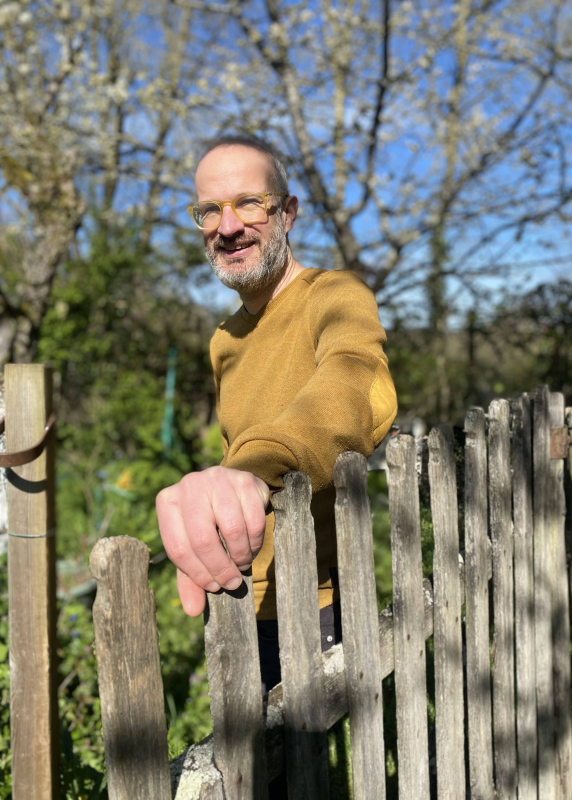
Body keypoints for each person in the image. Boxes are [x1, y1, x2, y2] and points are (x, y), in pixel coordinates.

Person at [156, 135, 397, 694]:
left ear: (287, 213)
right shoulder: (225, 338)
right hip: (236, 594)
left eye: (249, 203)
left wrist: (252, 469)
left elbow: (359, 387)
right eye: (209, 210)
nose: (227, 226)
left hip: (314, 600)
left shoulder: (334, 296)